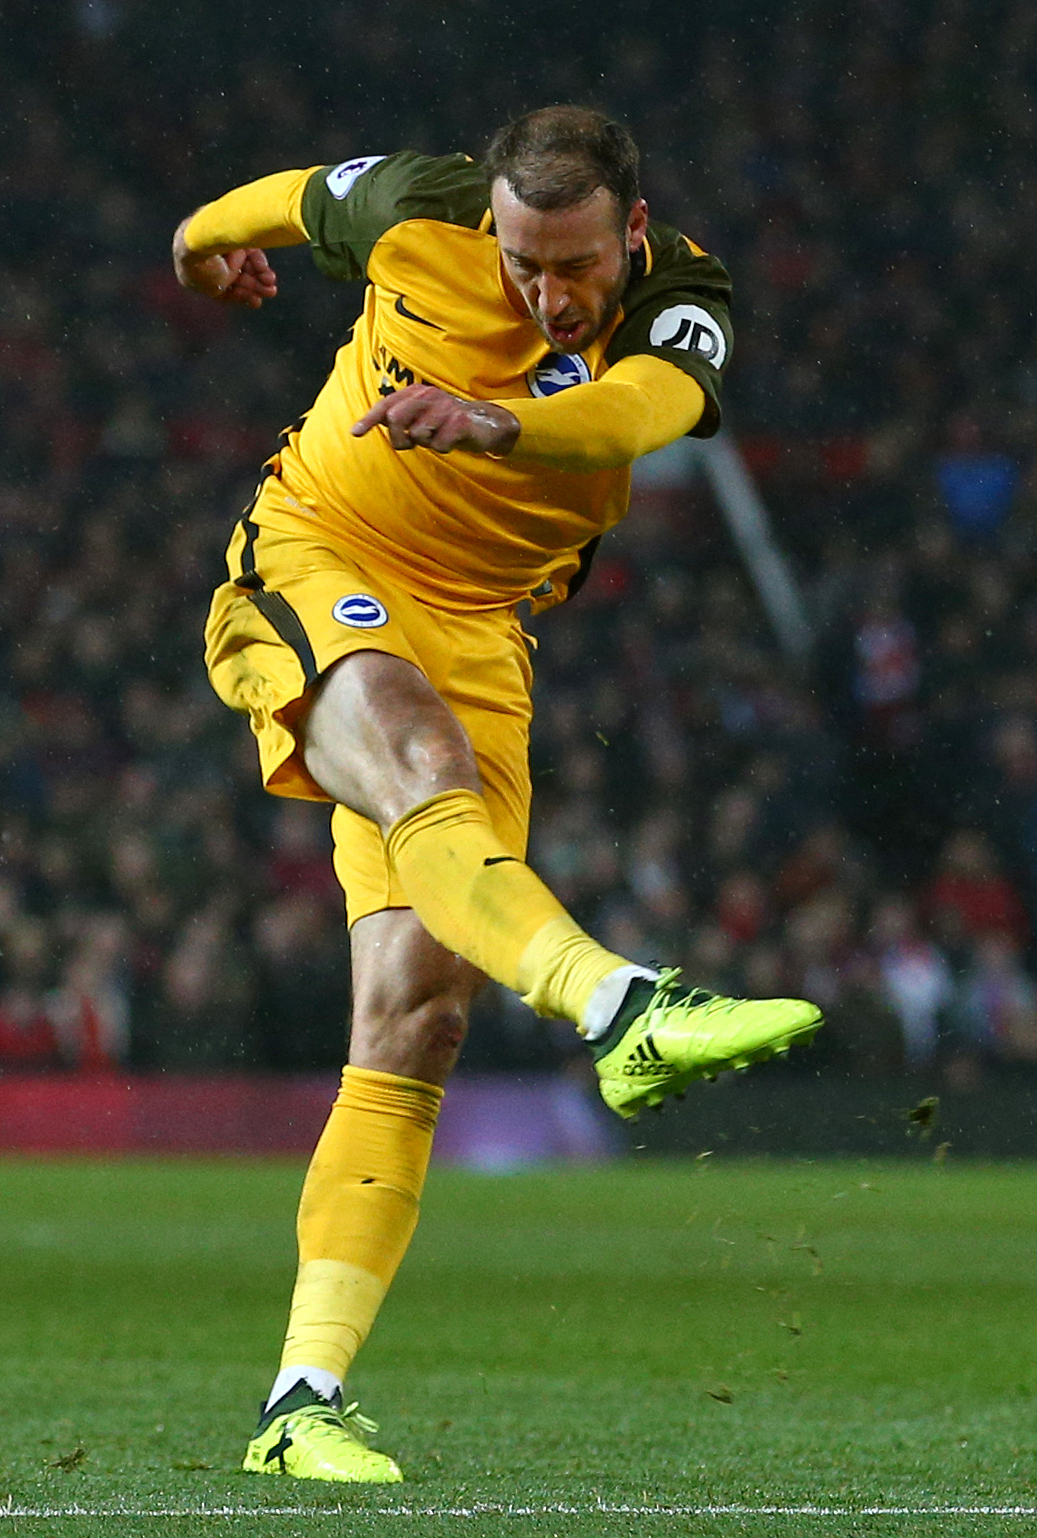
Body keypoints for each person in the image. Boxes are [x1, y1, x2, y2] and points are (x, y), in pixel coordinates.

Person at [175, 106, 822, 1483]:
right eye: (525, 265)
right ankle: (623, 1004)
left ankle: (302, 1402)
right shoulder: (416, 206)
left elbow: (651, 409)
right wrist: (193, 252)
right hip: (314, 553)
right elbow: (266, 201)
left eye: (576, 266)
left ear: (630, 234)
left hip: (484, 629)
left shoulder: (681, 297)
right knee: (419, 765)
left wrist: (498, 420)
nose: (549, 292)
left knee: (415, 1019)